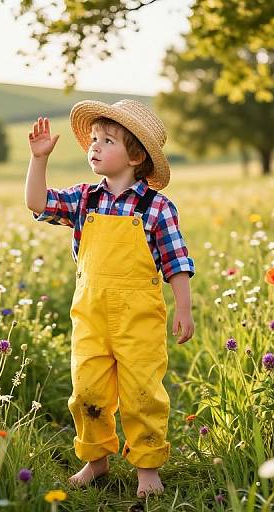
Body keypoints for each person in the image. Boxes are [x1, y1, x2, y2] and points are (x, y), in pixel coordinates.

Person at [25, 99, 195, 498]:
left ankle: (148, 466)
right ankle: (96, 460)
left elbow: (176, 261)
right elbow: (37, 203)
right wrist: (38, 160)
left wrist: (183, 308)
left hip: (139, 319)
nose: (95, 147)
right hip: (91, 316)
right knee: (88, 391)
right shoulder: (85, 199)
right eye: (94, 140)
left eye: (107, 140)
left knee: (142, 394)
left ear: (136, 155)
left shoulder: (157, 207)